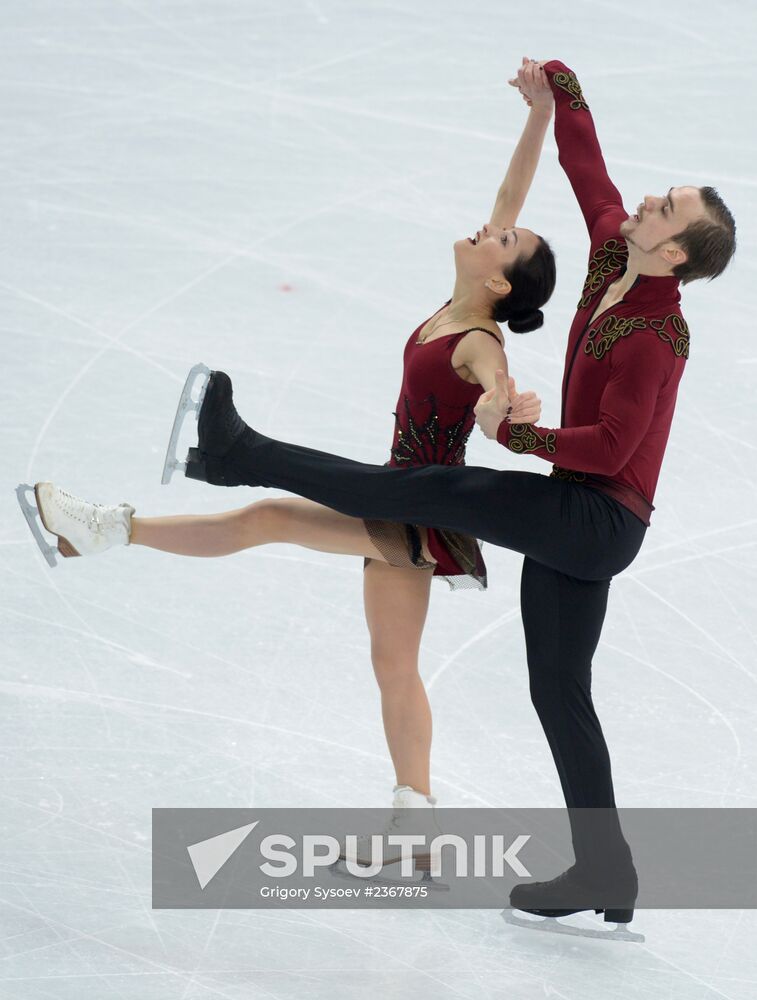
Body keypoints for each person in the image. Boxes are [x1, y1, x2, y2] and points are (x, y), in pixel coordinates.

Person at [117, 58, 733, 929]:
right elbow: (585, 165)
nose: (641, 204)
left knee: (428, 488)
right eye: (656, 197)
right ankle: (607, 868)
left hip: (596, 520)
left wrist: (516, 434)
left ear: (675, 251)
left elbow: (616, 445)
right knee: (558, 689)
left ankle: (239, 449)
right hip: (576, 514)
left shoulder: (657, 335)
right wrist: (562, 93)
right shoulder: (609, 259)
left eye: (662, 210)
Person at [19, 64, 556, 842]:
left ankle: (101, 529)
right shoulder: (463, 297)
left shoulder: (477, 339)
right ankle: (414, 824)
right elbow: (512, 194)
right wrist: (538, 113)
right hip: (400, 503)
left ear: (502, 284)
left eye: (500, 241)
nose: (488, 228)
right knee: (392, 666)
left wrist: (506, 409)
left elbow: (492, 399)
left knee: (268, 517)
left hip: (411, 511)